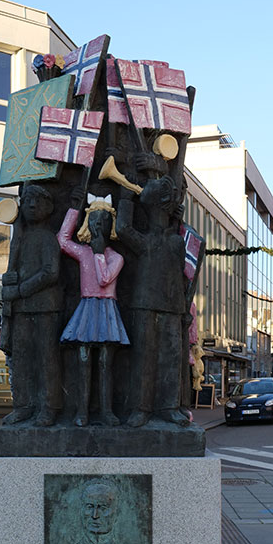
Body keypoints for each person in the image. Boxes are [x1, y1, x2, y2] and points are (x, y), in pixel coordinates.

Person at [116, 176, 189, 427]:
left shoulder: (175, 241)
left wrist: (184, 310)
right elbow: (123, 228)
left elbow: (181, 277)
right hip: (145, 303)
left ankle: (168, 407)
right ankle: (141, 408)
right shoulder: (149, 240)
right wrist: (126, 197)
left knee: (170, 357)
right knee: (144, 358)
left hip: (171, 306)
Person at [57, 194, 129, 427]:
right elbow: (62, 240)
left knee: (106, 364)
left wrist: (98, 253)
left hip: (107, 311)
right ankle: (82, 411)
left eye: (104, 222)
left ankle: (107, 411)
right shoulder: (82, 253)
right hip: (87, 310)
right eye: (96, 221)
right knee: (84, 361)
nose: (99, 226)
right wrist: (74, 210)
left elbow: (104, 279)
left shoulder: (115, 257)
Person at [0, 184, 63, 426]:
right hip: (22, 309)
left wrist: (20, 290)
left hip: (45, 306)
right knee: (22, 358)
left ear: (49, 207)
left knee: (46, 358)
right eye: (27, 201)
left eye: (38, 201)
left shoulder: (47, 238)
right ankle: (23, 405)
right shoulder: (20, 239)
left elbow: (51, 272)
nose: (33, 205)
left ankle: (48, 407)